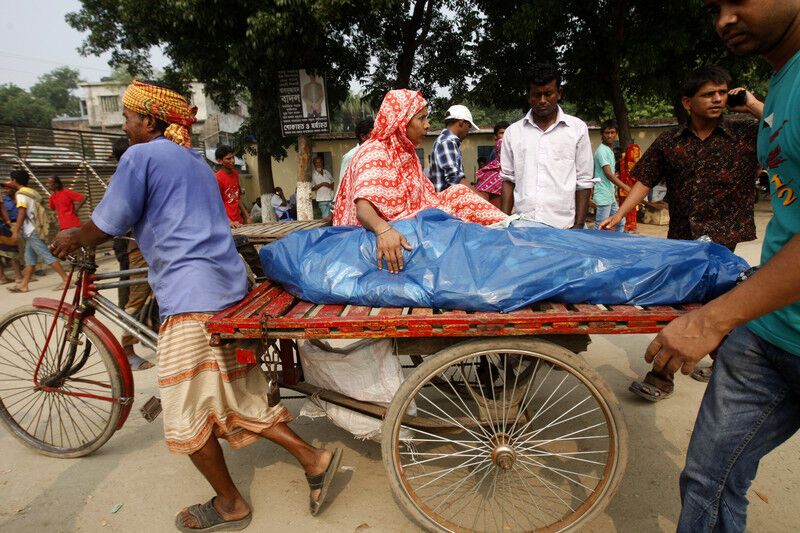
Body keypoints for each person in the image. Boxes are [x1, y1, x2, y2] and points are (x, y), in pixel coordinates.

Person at [50, 80, 342, 530]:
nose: (125, 126)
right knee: (233, 395)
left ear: (148, 120)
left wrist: (72, 237)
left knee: (185, 414)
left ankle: (231, 504)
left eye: (128, 117)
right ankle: (313, 457)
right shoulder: (196, 162)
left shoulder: (141, 155)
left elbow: (108, 221)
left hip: (190, 298)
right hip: (227, 291)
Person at [644, 2, 800, 531]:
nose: (725, 19)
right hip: (769, 324)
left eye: (739, 0)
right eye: (715, 8)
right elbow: (644, 182)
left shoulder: (749, 123)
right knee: (707, 479)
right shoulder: (782, 84)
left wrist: (713, 319)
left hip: (739, 273)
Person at [600, 64, 764, 400]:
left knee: (712, 305)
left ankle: (669, 375)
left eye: (722, 92)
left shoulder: (748, 134)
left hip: (723, 240)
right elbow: (644, 181)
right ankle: (690, 372)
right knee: (686, 305)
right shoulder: (670, 142)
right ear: (688, 102)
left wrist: (751, 103)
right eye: (709, 94)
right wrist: (619, 213)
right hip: (683, 238)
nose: (718, 99)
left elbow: (789, 129)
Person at [333, 89, 506, 273]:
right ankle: (504, 241)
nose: (427, 125)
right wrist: (383, 230)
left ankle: (507, 229)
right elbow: (363, 209)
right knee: (454, 228)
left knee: (458, 194)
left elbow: (428, 199)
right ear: (401, 121)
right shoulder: (375, 151)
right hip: (373, 237)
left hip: (407, 225)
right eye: (421, 118)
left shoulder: (408, 154)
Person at [501, 63, 595, 229]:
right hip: (523, 225)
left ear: (559, 94)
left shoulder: (577, 129)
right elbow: (508, 180)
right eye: (537, 95)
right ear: (529, 96)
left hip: (564, 227)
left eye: (548, 94)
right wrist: (503, 223)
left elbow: (584, 181)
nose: (542, 100)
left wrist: (579, 225)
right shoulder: (513, 133)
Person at [6, 169, 68, 293]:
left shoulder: (21, 194)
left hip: (32, 230)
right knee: (30, 259)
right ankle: (24, 285)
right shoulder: (31, 192)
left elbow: (22, 212)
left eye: (11, 180)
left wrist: (15, 231)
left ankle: (66, 280)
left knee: (47, 256)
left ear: (14, 181)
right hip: (33, 230)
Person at [428, 104, 479, 192]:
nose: (468, 131)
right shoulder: (447, 142)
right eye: (469, 126)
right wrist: (480, 197)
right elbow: (455, 178)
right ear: (461, 123)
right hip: (445, 202)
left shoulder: (449, 141)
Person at [593, 120, 630, 231]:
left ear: (616, 134)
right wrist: (625, 187)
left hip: (610, 194)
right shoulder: (602, 151)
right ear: (602, 134)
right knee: (600, 226)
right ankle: (594, 246)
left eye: (612, 132)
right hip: (603, 194)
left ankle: (618, 244)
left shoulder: (609, 150)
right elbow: (608, 174)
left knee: (621, 221)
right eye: (606, 133)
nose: (609, 135)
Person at [475, 121, 510, 208]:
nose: (505, 136)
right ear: (495, 136)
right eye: (502, 133)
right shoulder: (490, 173)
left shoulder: (516, 172)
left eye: (508, 133)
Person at [215, 145, 251, 228]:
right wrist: (230, 222)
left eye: (233, 157)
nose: (233, 161)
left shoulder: (235, 174)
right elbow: (216, 204)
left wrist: (247, 215)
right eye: (228, 159)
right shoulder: (217, 178)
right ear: (219, 161)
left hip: (238, 221)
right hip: (226, 224)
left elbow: (237, 198)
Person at [339, 118, 375, 183]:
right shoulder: (351, 156)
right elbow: (342, 183)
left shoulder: (378, 154)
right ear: (363, 137)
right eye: (373, 134)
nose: (377, 138)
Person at [617, 143, 642, 232]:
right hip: (628, 189)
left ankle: (628, 225)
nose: (636, 154)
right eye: (634, 152)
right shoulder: (628, 163)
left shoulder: (625, 160)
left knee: (629, 208)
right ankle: (627, 225)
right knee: (628, 207)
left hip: (627, 189)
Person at [0, 187, 22, 285]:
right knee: (11, 250)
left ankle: (2, 278)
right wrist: (9, 223)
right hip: (1, 226)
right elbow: (2, 208)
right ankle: (18, 277)